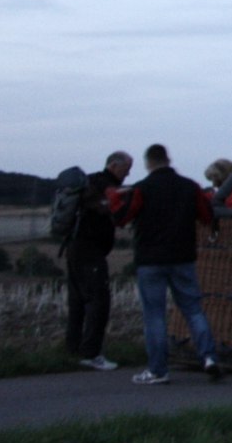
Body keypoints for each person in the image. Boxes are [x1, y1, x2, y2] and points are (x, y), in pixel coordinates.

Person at [110, 144, 221, 385]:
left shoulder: (142, 188)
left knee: (155, 316)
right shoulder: (190, 187)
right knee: (193, 309)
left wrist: (114, 199)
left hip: (151, 259)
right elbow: (207, 216)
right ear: (168, 159)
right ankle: (209, 357)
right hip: (183, 257)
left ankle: (158, 370)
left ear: (148, 162)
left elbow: (121, 218)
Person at [65, 150, 131, 371]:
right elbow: (105, 207)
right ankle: (91, 354)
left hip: (76, 248)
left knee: (78, 302)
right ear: (114, 165)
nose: (128, 174)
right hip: (89, 250)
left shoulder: (91, 181)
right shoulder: (101, 184)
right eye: (126, 169)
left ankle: (72, 350)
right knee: (98, 301)